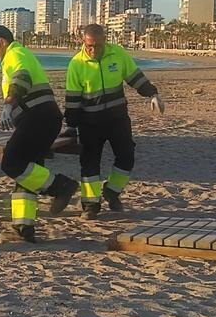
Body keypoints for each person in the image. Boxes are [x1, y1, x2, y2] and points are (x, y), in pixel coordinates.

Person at [0, 25, 78, 241]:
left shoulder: (15, 53)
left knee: (11, 163)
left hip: (38, 117)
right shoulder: (18, 55)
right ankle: (24, 226)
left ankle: (63, 186)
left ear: (2, 41)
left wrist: (8, 104)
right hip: (43, 118)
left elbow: (22, 77)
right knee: (29, 172)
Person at [64, 23, 165, 220]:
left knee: (127, 157)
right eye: (89, 46)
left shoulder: (118, 54)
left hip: (117, 119)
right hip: (89, 123)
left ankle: (112, 191)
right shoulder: (76, 64)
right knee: (90, 164)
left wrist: (152, 94)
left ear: (105, 41)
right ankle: (90, 205)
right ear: (83, 42)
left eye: (97, 46)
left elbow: (135, 77)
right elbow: (72, 99)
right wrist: (71, 126)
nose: (93, 50)